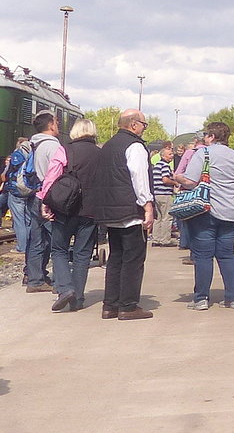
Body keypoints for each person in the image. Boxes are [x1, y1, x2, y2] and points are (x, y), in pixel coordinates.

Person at [83, 109, 154, 321]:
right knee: (133, 259)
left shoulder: (108, 146)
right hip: (130, 211)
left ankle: (110, 305)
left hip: (111, 212)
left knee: (116, 258)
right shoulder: (135, 146)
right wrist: (148, 206)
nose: (144, 128)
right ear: (134, 124)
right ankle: (128, 306)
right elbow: (139, 178)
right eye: (144, 124)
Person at [177, 122, 234, 310]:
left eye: (206, 134)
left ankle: (201, 299)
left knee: (203, 255)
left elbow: (190, 181)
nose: (204, 137)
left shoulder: (203, 153)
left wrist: (178, 178)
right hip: (231, 210)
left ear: (212, 136)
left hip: (207, 210)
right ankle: (233, 297)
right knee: (227, 254)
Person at [38, 118, 101, 311]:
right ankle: (78, 299)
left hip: (65, 209)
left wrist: (45, 201)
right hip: (91, 211)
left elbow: (51, 177)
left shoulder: (65, 150)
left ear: (75, 132)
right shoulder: (100, 153)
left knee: (59, 249)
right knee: (83, 254)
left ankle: (65, 288)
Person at [25, 112, 62, 293]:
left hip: (34, 194)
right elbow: (57, 173)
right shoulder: (53, 146)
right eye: (56, 122)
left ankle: (35, 279)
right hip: (48, 197)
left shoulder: (33, 143)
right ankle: (59, 281)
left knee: (37, 239)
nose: (58, 125)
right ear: (51, 125)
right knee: (56, 239)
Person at [3, 137, 33, 255]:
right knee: (28, 220)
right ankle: (30, 245)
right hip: (30, 191)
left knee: (19, 220)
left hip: (16, 191)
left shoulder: (16, 155)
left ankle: (21, 247)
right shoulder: (33, 153)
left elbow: (6, 175)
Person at [150, 142, 180, 246]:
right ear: (163, 156)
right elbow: (165, 180)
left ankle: (156, 239)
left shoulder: (156, 166)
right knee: (167, 217)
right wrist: (175, 183)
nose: (172, 156)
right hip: (165, 193)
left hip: (156, 194)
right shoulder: (165, 166)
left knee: (158, 218)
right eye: (169, 154)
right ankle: (165, 240)